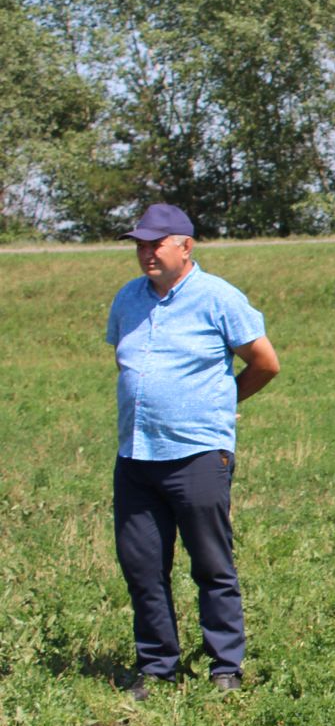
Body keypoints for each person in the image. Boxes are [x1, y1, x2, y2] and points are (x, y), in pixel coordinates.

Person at [106, 203, 279, 700]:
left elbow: (266, 363)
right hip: (137, 455)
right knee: (142, 565)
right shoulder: (127, 300)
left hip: (198, 454)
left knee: (210, 564)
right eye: (139, 245)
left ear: (185, 245)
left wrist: (219, 405)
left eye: (154, 244)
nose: (145, 254)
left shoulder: (218, 297)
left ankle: (226, 665)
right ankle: (157, 666)